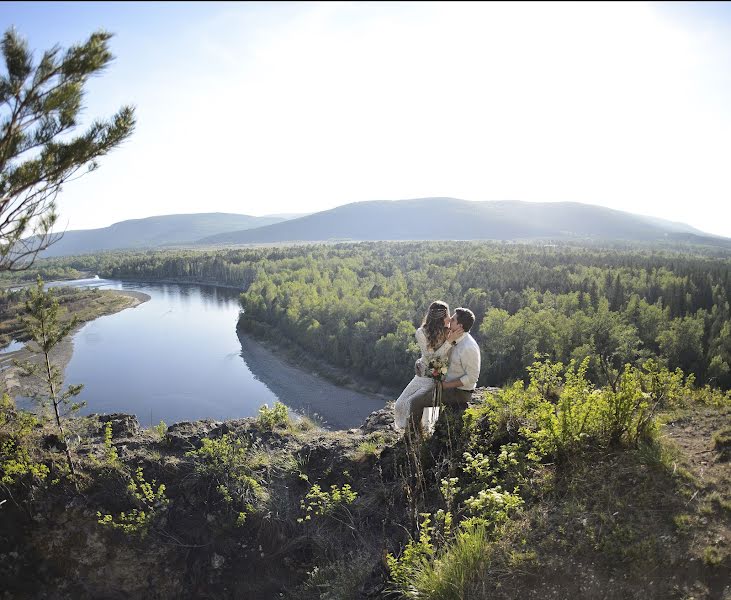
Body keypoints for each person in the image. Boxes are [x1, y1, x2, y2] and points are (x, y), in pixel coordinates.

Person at [403, 307, 481, 430]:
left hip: (459, 392)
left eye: (453, 319)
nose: (450, 320)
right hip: (445, 383)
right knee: (416, 396)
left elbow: (472, 377)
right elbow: (435, 355)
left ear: (460, 326)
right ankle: (421, 431)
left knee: (416, 402)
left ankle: (412, 437)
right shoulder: (453, 336)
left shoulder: (468, 347)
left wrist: (446, 386)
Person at [393, 301, 461, 434]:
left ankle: (417, 434)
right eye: (448, 314)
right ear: (442, 317)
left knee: (413, 403)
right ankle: (411, 432)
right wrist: (448, 342)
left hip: (438, 376)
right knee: (399, 404)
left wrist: (450, 340)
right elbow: (430, 357)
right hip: (423, 373)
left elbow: (449, 356)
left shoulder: (450, 332)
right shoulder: (421, 332)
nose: (450, 318)